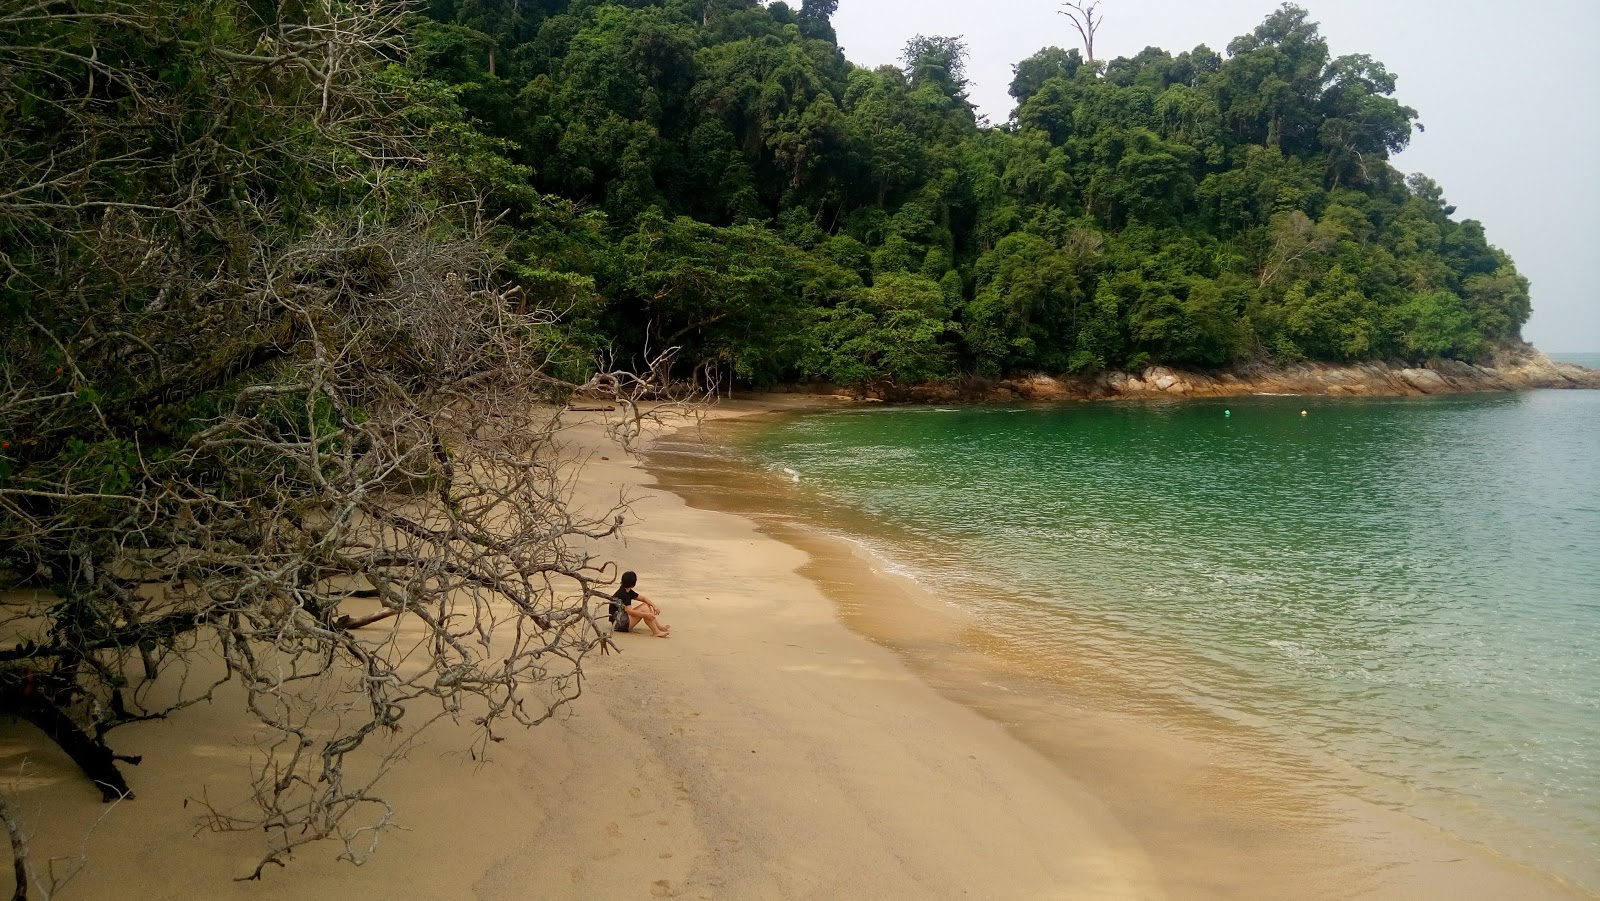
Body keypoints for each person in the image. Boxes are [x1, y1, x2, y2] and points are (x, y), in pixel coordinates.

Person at [611, 570, 671, 637]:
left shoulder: (626, 590)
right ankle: (656, 632)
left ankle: (658, 626)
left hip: (620, 619)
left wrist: (654, 606)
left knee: (645, 605)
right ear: (633, 584)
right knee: (644, 609)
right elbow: (629, 611)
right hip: (619, 624)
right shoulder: (624, 594)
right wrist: (646, 615)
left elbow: (643, 599)